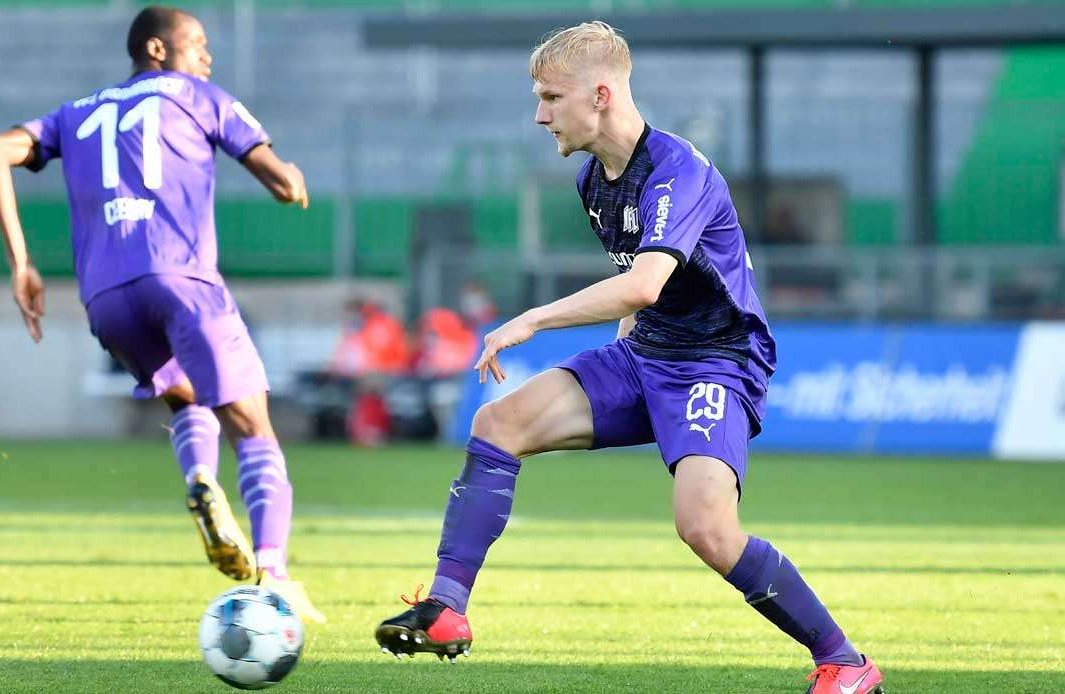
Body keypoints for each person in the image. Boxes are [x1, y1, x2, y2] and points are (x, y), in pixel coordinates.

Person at [373, 22, 884, 693]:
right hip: (645, 356)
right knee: (498, 424)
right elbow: (640, 293)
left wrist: (532, 319)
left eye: (552, 97)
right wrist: (620, 370)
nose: (539, 113)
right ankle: (446, 609)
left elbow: (644, 282)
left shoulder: (679, 171)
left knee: (704, 528)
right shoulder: (593, 180)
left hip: (716, 363)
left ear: (603, 95)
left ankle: (845, 662)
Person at [0, 5, 324, 623]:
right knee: (253, 428)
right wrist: (294, 178)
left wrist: (21, 264)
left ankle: (199, 479)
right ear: (158, 50)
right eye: (198, 44)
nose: (207, 56)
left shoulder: (75, 112)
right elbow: (279, 182)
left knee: (186, 399)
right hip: (182, 278)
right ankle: (273, 576)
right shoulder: (200, 95)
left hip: (106, 298)